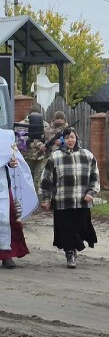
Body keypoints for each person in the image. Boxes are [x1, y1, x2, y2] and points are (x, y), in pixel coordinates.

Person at [39, 127, 99, 268]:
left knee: (80, 228)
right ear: (62, 140)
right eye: (66, 138)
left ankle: (74, 249)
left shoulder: (87, 155)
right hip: (62, 202)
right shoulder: (55, 157)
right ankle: (70, 253)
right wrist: (45, 198)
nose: (70, 140)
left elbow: (95, 177)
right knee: (66, 231)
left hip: (81, 201)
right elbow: (46, 179)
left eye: (72, 137)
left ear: (76, 138)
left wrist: (91, 192)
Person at [1, 150, 29, 268]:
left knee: (7, 217)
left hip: (2, 185)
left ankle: (7, 254)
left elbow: (9, 156)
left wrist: (11, 161)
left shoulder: (3, 137)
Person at [22, 104, 55, 192]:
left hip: (42, 156)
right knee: (28, 177)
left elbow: (48, 137)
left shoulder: (45, 124)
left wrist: (46, 146)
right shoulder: (23, 124)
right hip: (28, 155)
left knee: (40, 177)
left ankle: (39, 197)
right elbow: (21, 138)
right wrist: (35, 144)